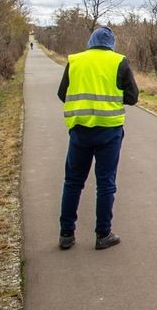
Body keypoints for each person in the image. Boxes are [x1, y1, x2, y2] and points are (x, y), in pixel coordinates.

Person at [56, 26, 139, 250]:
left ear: (91, 42)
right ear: (112, 43)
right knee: (105, 184)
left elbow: (62, 94)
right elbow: (132, 97)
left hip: (80, 130)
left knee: (73, 182)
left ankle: (66, 234)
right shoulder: (119, 61)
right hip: (109, 131)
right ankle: (103, 235)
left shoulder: (75, 61)